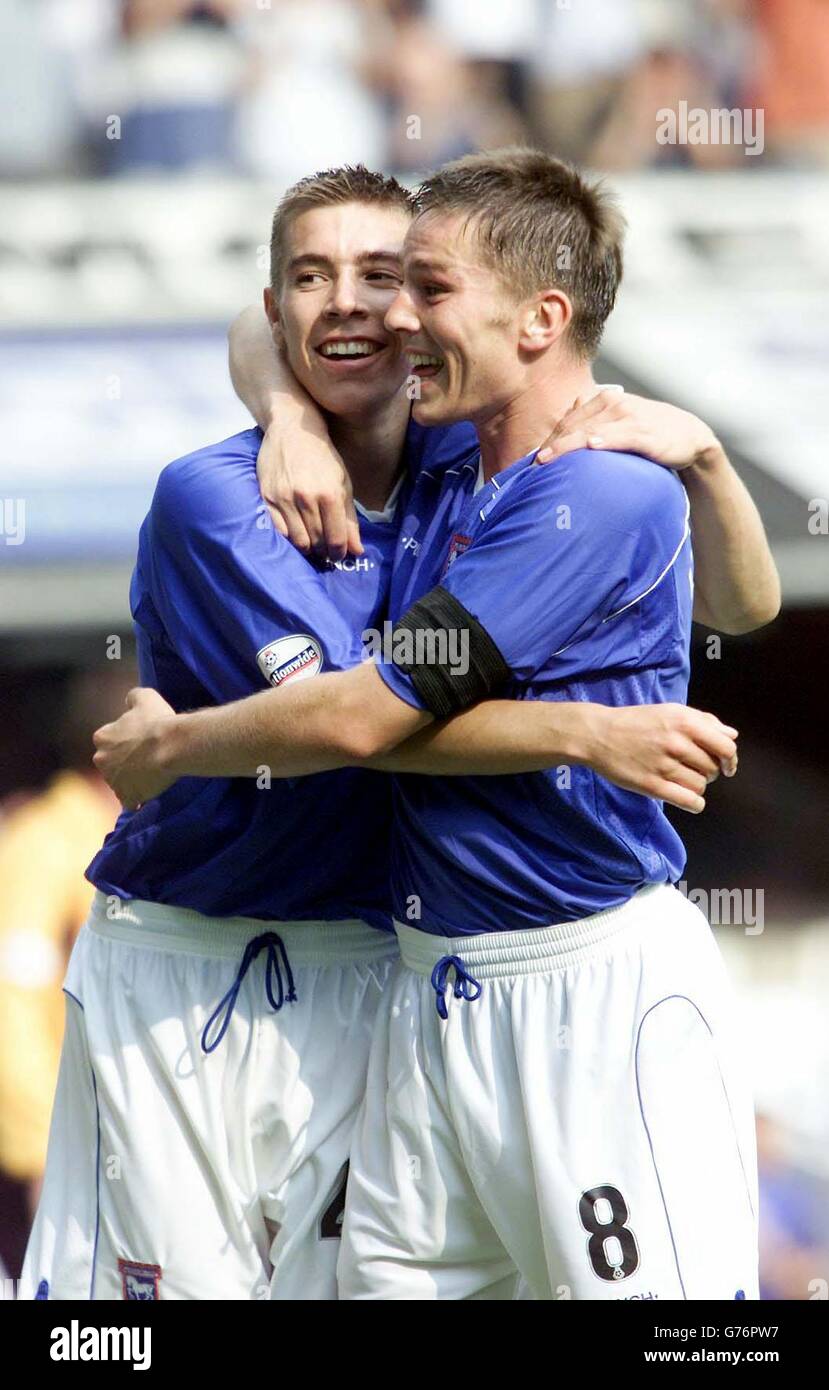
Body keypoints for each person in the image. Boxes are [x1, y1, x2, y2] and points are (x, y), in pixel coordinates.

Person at [93, 151, 779, 1300]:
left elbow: (367, 718)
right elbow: (277, 326)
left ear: (541, 318)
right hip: (430, 995)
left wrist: (175, 746)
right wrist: (284, 416)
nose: (393, 317)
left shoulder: (589, 495)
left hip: (584, 988)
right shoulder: (456, 453)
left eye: (428, 289)